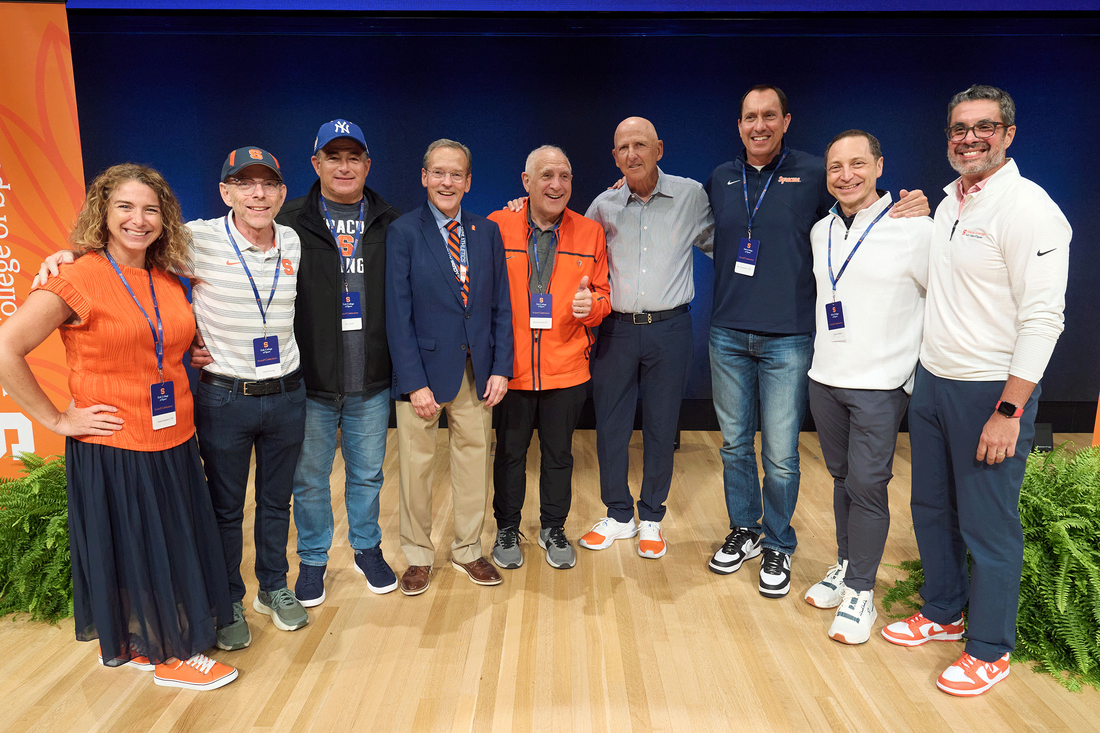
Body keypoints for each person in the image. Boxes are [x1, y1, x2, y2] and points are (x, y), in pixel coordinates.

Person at [38, 148, 310, 646]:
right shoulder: (197, 239)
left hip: (288, 392)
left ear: (281, 192)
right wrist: (67, 255)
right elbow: (123, 251)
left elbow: (142, 260)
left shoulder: (291, 240)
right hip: (227, 397)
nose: (257, 194)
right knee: (225, 508)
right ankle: (227, 597)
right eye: (244, 184)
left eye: (268, 184)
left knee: (277, 502)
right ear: (225, 192)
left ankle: (273, 587)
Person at [0, 164, 237, 690]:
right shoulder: (76, 277)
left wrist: (186, 352)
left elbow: (160, 339)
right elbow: (5, 350)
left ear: (164, 218)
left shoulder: (166, 276)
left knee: (166, 547)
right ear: (102, 215)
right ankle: (170, 657)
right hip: (115, 443)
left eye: (150, 209)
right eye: (125, 207)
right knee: (139, 548)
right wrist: (57, 418)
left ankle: (142, 642)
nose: (139, 219)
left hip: (173, 436)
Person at [881, 85, 1070, 697]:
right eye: (958, 128)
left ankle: (990, 648)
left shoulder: (1030, 209)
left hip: (991, 390)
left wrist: (1010, 409)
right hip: (934, 382)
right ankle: (942, 612)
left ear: (1008, 134)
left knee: (989, 526)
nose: (968, 138)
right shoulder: (949, 202)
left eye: (982, 127)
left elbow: (1044, 319)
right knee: (932, 510)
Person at [705, 85, 928, 598]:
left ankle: (780, 540)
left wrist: (911, 203)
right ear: (739, 125)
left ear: (786, 120)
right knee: (735, 445)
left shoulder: (813, 173)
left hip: (789, 338)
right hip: (727, 334)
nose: (758, 125)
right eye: (748, 117)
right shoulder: (720, 178)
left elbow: (862, 211)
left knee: (781, 454)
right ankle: (744, 529)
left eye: (768, 116)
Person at [799, 130, 932, 644]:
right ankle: (845, 563)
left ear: (879, 166)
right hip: (825, 378)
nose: (846, 175)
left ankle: (861, 592)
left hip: (881, 384)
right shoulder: (821, 230)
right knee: (839, 480)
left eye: (858, 164)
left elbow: (940, 300)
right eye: (836, 167)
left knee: (867, 487)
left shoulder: (914, 228)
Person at [275, 120, 400, 604]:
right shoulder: (287, 222)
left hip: (370, 380)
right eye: (334, 156)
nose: (344, 166)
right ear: (317, 164)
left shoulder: (392, 222)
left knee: (368, 474)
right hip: (311, 382)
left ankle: (367, 549)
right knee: (309, 479)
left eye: (354, 157)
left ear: (367, 164)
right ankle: (313, 559)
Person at [577, 117, 713, 560]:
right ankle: (619, 514)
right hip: (616, 330)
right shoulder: (602, 205)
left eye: (640, 144)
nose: (631, 154)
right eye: (622, 148)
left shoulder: (691, 196)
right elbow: (573, 243)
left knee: (660, 426)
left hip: (670, 329)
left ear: (659, 148)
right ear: (614, 156)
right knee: (611, 427)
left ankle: (651, 517)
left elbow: (727, 240)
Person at [385, 139, 514, 595]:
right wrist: (413, 382)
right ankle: (418, 557)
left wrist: (501, 366)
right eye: (438, 173)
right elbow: (396, 316)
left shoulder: (487, 232)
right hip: (422, 376)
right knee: (416, 469)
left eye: (456, 174)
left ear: (468, 182)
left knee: (474, 463)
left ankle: (468, 551)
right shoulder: (403, 233)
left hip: (477, 372)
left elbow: (501, 306)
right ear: (424, 178)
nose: (447, 181)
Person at [486, 145, 611, 570]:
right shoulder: (496, 226)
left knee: (560, 456)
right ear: (526, 183)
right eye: (546, 176)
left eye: (565, 176)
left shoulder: (590, 232)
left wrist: (590, 308)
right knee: (509, 454)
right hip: (513, 371)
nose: (556, 185)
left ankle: (553, 528)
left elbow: (603, 296)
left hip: (567, 369)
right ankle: (507, 527)